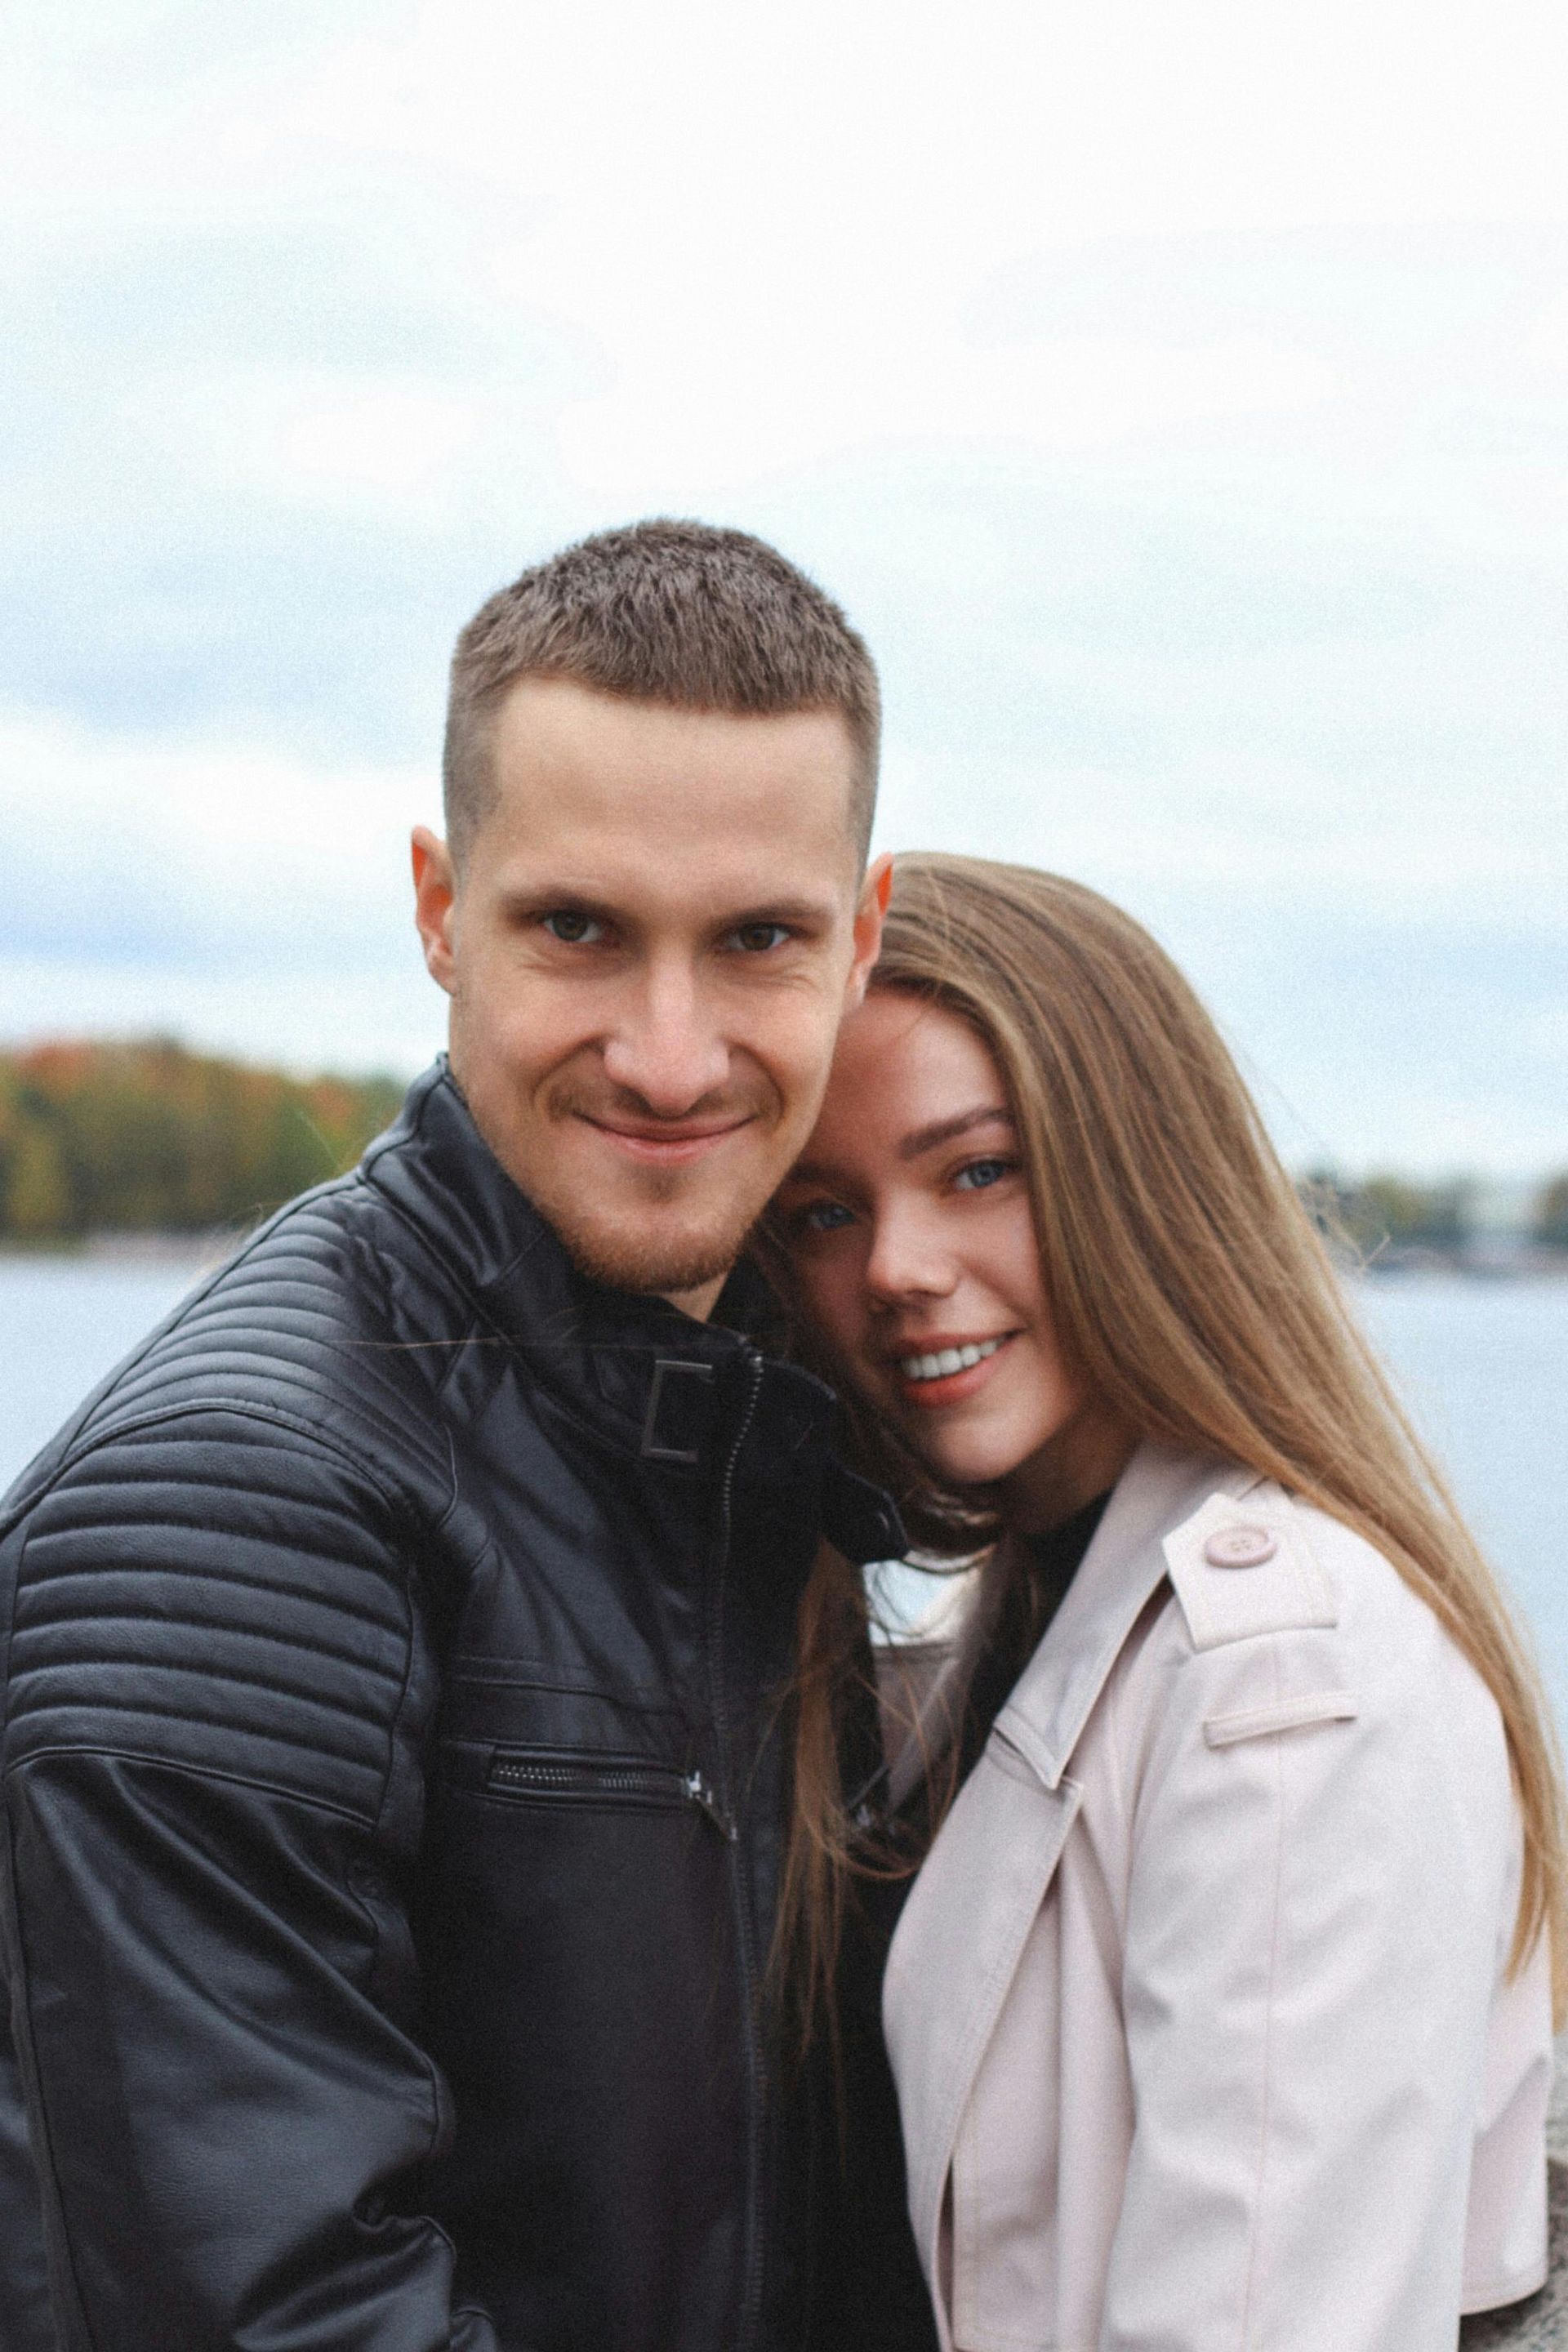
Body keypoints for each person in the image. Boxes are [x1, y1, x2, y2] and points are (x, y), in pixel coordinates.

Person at [0, 519, 911, 2352]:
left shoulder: (738, 1418)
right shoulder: (231, 1520)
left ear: (864, 937)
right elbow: (268, 2313)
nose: (669, 1055)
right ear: (436, 909)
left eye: (757, 941)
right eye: (577, 929)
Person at [769, 851, 1563, 2352]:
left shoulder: (1284, 1684)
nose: (897, 1268)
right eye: (821, 1213)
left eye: (977, 1170)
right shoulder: (1012, 1620)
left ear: (1137, 1170)